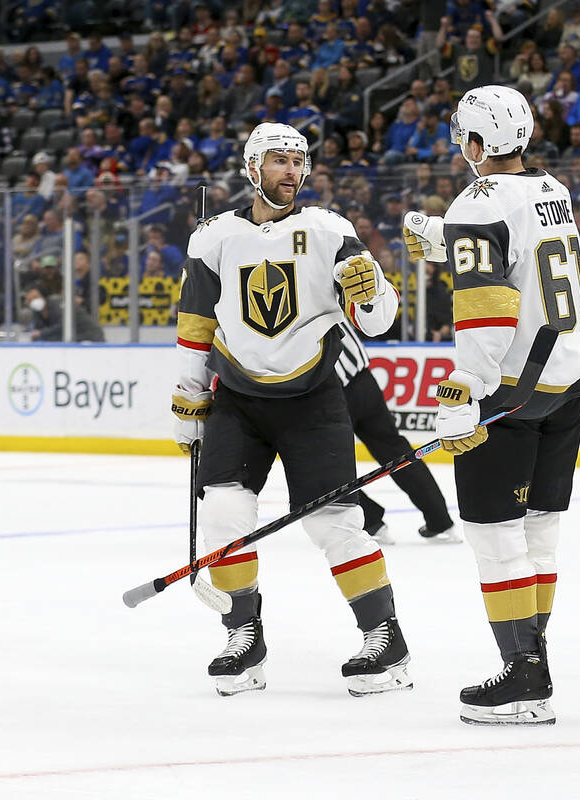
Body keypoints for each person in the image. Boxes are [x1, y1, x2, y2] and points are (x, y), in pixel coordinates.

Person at [171, 123, 410, 697]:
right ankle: (243, 636)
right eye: (279, 161)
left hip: (314, 401)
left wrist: (373, 287)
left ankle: (386, 639)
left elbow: (379, 322)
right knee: (225, 516)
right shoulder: (213, 238)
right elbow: (195, 327)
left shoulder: (330, 231)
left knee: (335, 524)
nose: (292, 171)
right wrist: (188, 400)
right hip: (237, 401)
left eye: (299, 162)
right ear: (253, 169)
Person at [401, 85, 580, 726]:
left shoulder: (475, 202)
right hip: (566, 380)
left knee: (493, 535)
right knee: (539, 534)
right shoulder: (553, 189)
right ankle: (532, 662)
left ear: (478, 143)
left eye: (466, 138)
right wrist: (444, 238)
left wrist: (464, 389)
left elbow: (489, 308)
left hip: (510, 389)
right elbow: (522, 256)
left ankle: (523, 675)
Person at [333, 320, 459, 545]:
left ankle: (372, 522)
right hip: (364, 381)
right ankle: (440, 521)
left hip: (332, 395)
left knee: (327, 464)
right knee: (396, 451)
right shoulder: (319, 290)